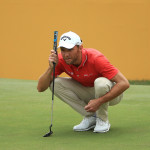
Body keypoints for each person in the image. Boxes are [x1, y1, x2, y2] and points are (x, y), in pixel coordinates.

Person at [37, 31, 130, 133]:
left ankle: (102, 120)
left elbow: (124, 83)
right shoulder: (60, 60)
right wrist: (50, 68)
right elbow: (40, 88)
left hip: (112, 94)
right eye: (63, 50)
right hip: (89, 92)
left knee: (100, 83)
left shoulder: (96, 58)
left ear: (80, 47)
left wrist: (99, 101)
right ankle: (91, 117)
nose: (66, 54)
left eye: (70, 50)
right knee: (56, 83)